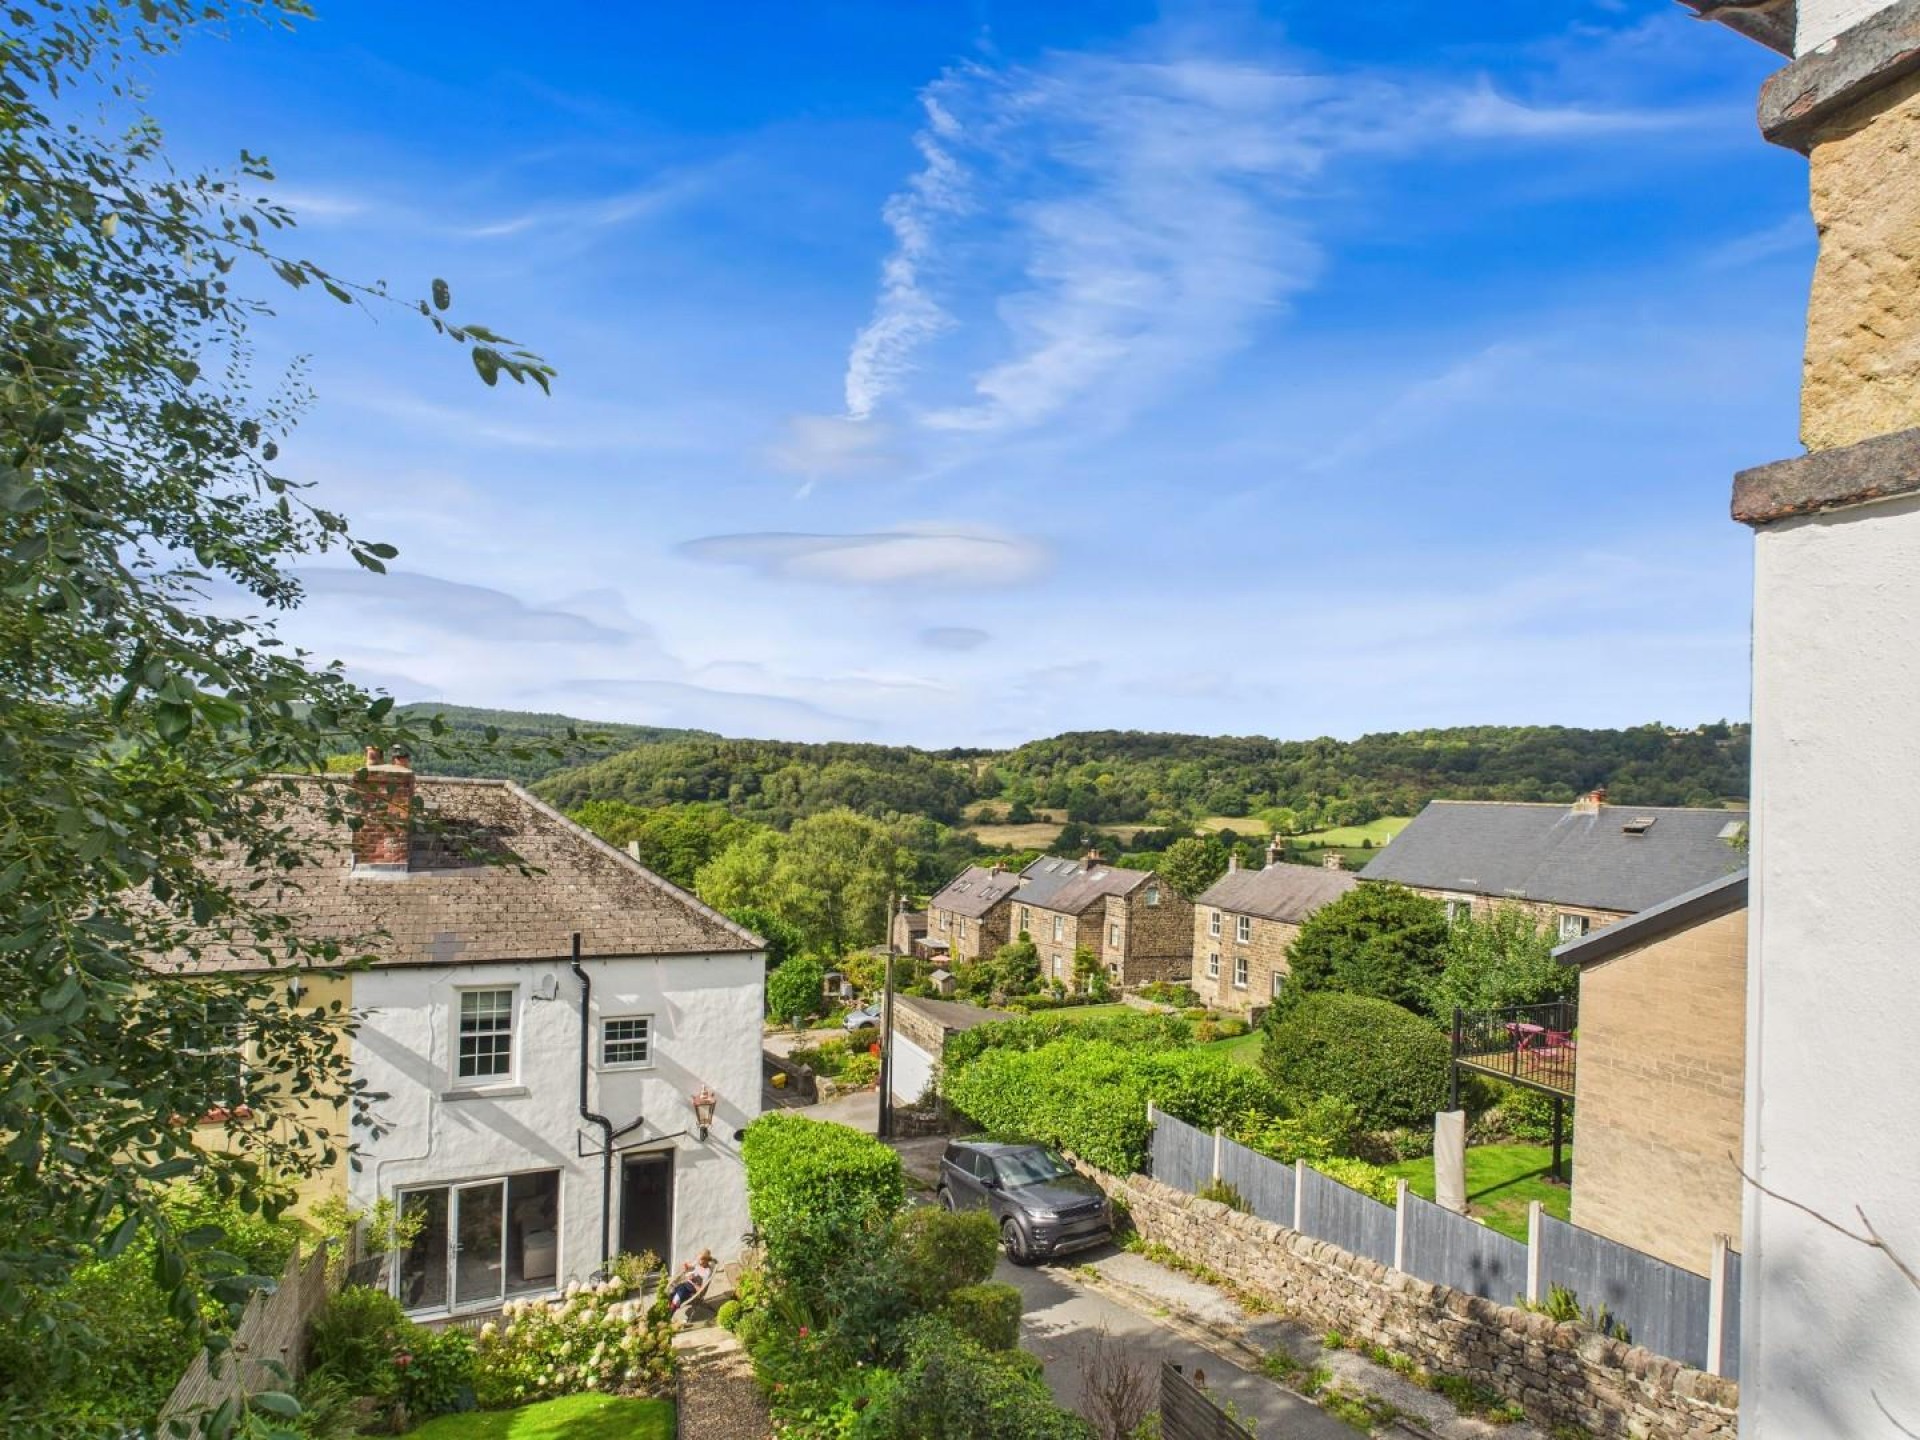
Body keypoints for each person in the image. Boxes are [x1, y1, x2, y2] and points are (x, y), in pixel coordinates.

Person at [667, 1248, 715, 1314]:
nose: (699, 1262)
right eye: (699, 1259)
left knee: (678, 1296)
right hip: (686, 1284)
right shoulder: (698, 1263)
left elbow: (702, 1290)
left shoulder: (707, 1272)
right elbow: (689, 1266)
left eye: (701, 1260)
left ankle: (669, 1314)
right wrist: (686, 1267)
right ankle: (668, 1310)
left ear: (706, 1260)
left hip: (692, 1290)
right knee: (671, 1293)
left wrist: (693, 1282)